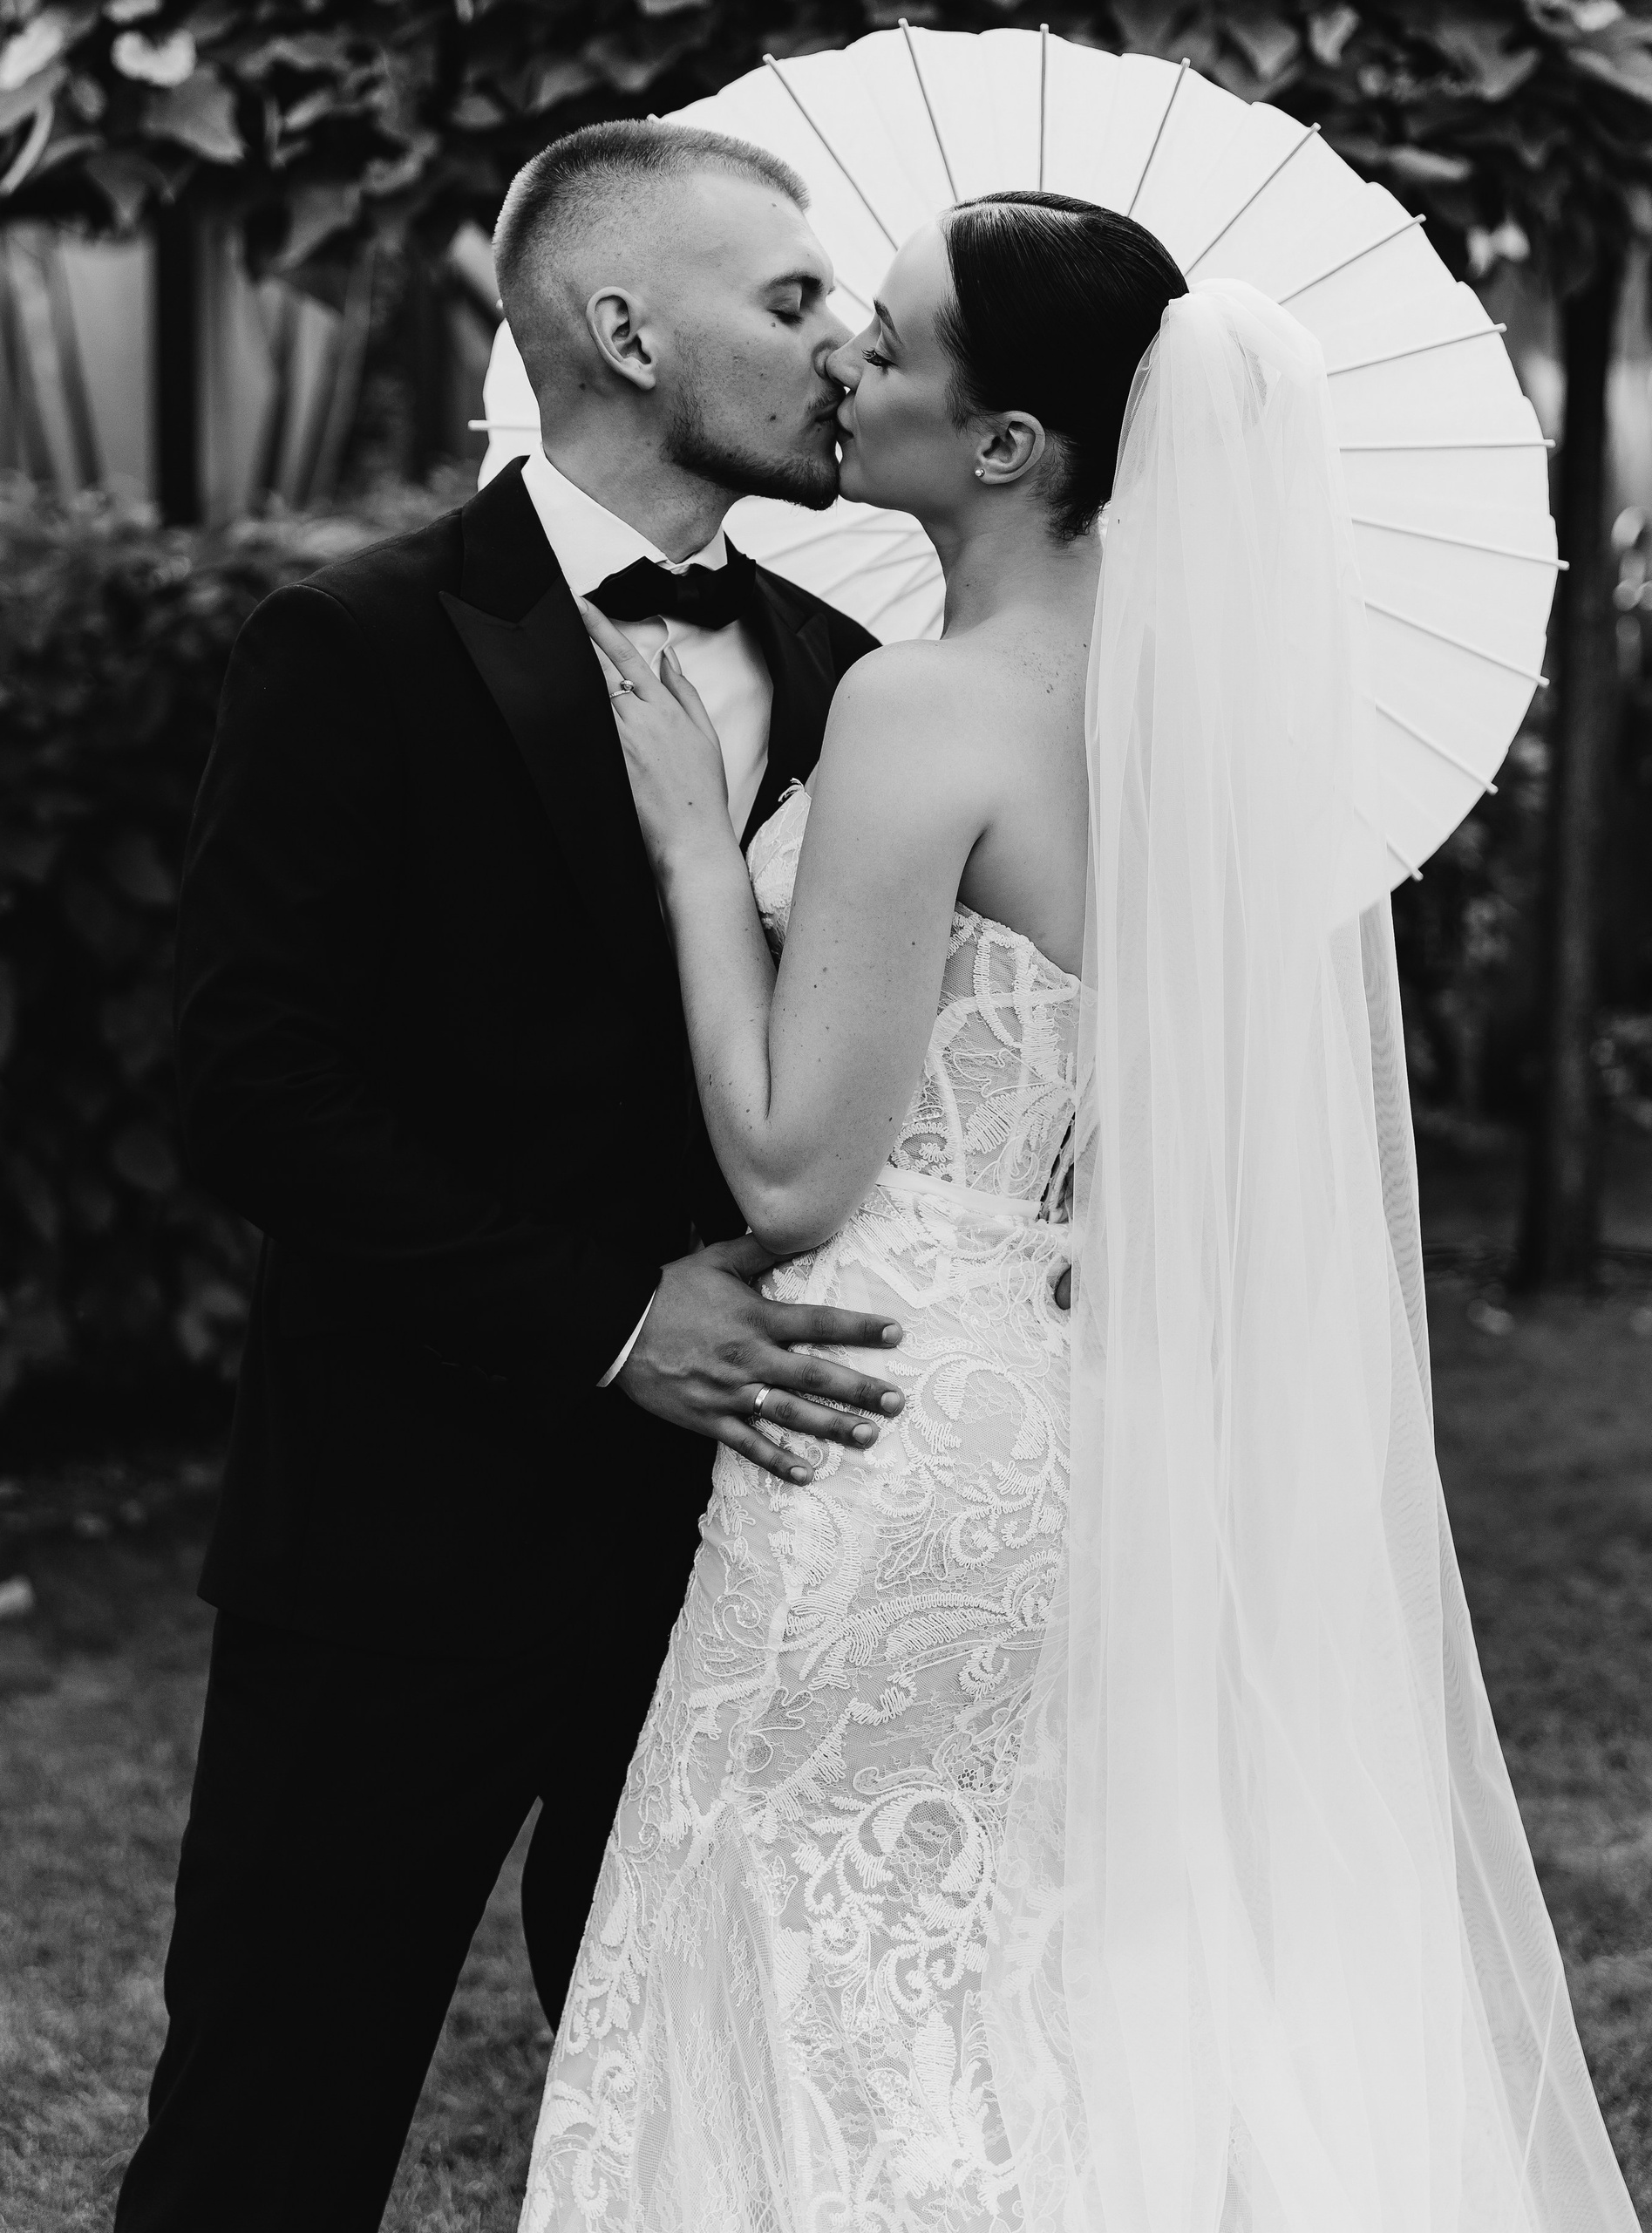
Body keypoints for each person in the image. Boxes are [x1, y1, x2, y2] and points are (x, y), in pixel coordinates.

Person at [522, 196, 1640, 2230]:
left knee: (809, 1946)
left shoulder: (923, 706)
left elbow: (793, 1169)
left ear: (1011, 443)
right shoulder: (1196, 721)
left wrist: (693, 848)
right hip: (1077, 1415)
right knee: (1009, 1965)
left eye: (895, 342)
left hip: (880, 1406)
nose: (847, 358)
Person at [114, 122, 909, 2233]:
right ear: (624, 331)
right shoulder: (353, 643)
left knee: (719, 2138)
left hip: (738, 1543)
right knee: (267, 2134)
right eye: (792, 300)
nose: (846, 342)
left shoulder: (851, 682)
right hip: (399, 1534)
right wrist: (616, 1321)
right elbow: (255, 1088)